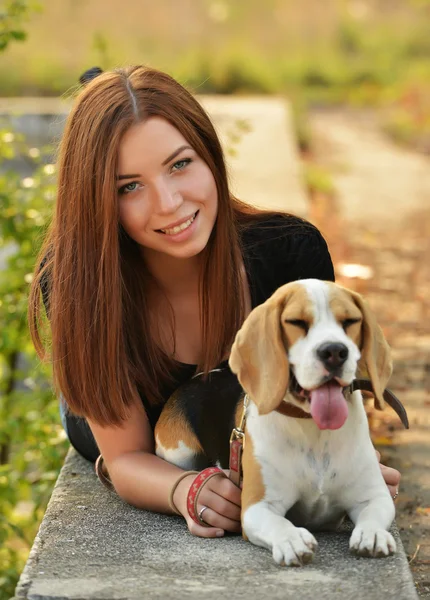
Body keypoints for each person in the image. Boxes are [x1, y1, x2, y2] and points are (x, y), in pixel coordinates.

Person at [28, 65, 400, 539]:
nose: (168, 203)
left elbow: (324, 402)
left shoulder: (291, 252)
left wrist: (353, 478)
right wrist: (185, 487)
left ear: (210, 156)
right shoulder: (75, 281)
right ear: (99, 200)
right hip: (124, 427)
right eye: (129, 186)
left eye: (180, 164)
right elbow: (127, 457)